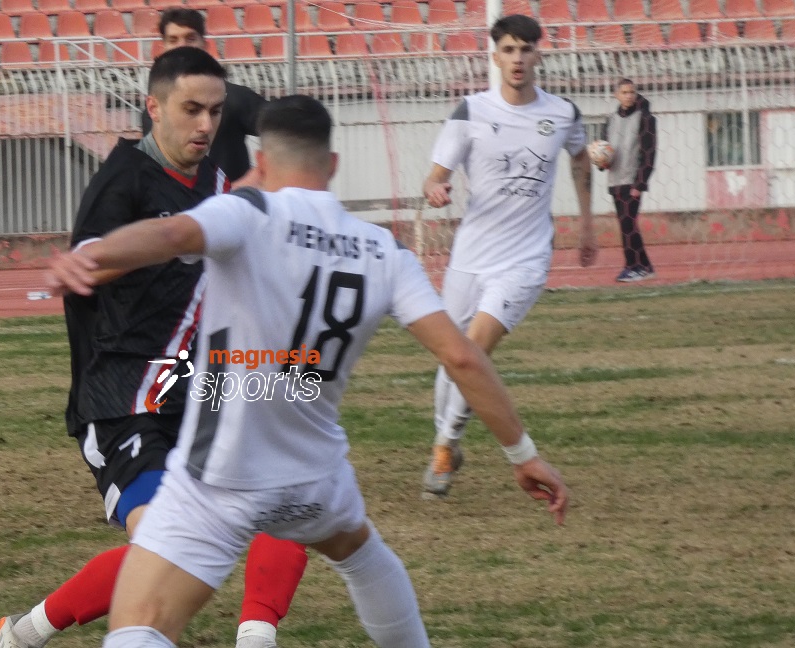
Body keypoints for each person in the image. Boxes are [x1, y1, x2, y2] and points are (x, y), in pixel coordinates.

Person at [46, 94, 571, 648]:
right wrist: (523, 453)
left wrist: (93, 255)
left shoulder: (248, 213)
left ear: (262, 163)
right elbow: (462, 356)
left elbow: (172, 235)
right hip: (317, 475)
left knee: (139, 624)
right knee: (364, 557)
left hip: (223, 476)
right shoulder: (383, 249)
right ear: (334, 164)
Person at [0, 47, 307, 648]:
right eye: (192, 110)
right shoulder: (124, 180)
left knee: (292, 492)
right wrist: (97, 261)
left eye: (216, 111)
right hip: (123, 396)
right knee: (166, 545)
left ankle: (256, 637)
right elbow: (93, 259)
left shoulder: (213, 181)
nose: (206, 125)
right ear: (153, 108)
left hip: (197, 385)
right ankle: (25, 633)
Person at [420, 14, 597, 498]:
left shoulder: (562, 113)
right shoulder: (470, 111)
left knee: (474, 348)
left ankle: (443, 446)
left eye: (526, 49)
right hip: (471, 255)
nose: (518, 59)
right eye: (509, 50)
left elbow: (580, 158)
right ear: (495, 56)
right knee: (453, 356)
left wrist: (586, 223)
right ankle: (447, 440)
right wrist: (436, 189)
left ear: (539, 53)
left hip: (525, 258)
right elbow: (435, 175)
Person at [141, 7, 267, 184]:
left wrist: (252, 178)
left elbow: (287, 131)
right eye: (173, 40)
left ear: (205, 45)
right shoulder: (153, 112)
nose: (182, 46)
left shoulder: (235, 98)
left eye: (190, 38)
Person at [600, 78, 657, 282]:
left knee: (628, 224)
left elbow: (649, 153)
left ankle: (633, 266)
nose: (628, 96)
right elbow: (605, 150)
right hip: (615, 180)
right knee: (626, 224)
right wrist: (601, 161)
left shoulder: (645, 119)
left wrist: (640, 183)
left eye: (632, 92)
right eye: (624, 92)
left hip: (632, 180)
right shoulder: (610, 120)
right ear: (616, 95)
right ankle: (645, 266)